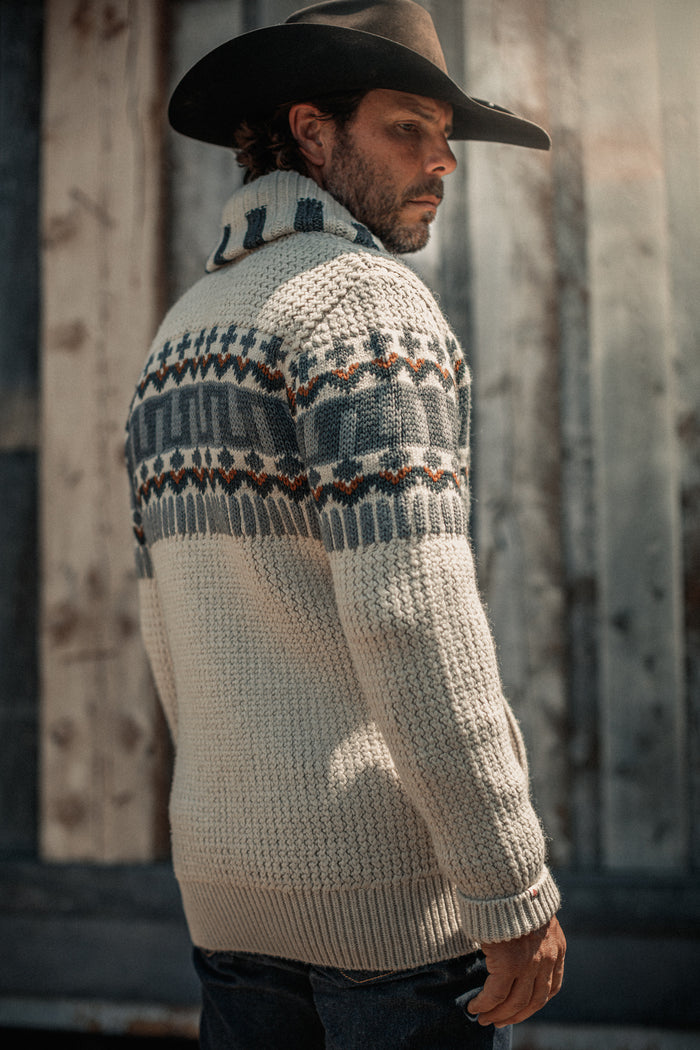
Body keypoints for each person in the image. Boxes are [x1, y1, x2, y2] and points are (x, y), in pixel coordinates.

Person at [125, 2, 566, 1047]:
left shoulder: (184, 333)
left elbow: (168, 624)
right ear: (313, 132)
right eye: (407, 128)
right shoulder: (363, 305)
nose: (441, 161)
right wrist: (508, 884)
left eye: (444, 137)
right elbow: (414, 617)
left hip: (229, 884)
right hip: (388, 903)